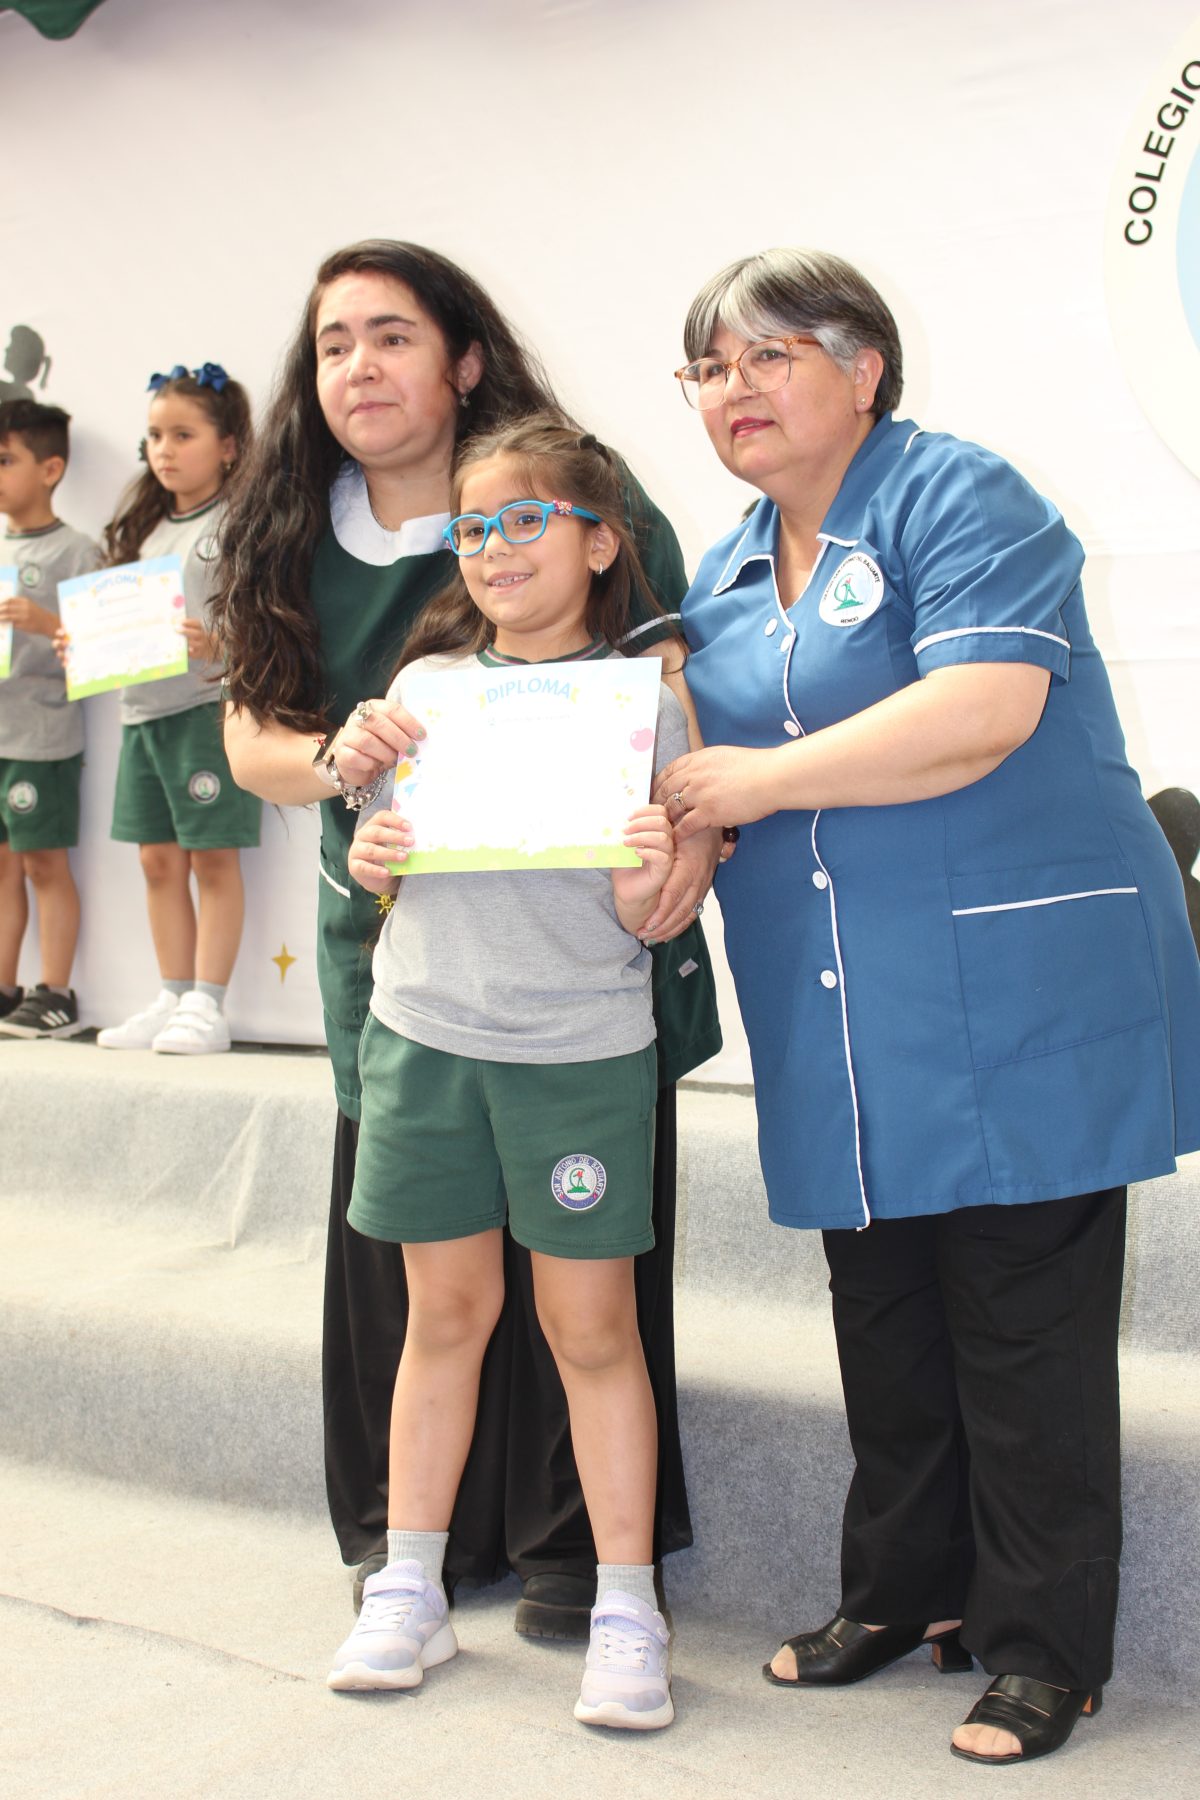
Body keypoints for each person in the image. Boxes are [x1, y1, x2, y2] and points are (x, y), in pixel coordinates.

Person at [657, 248, 1200, 1767]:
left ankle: (1044, 1647)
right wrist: (667, 853)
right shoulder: (719, 570)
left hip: (1012, 979)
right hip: (842, 1007)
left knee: (1022, 1323)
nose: (735, 390)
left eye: (771, 355)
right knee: (883, 1308)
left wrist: (751, 783)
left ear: (864, 368)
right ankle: (904, 1590)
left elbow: (981, 711)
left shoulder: (965, 500)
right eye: (709, 369)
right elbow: (689, 769)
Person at [214, 240, 720, 1636]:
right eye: (332, 344)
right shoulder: (280, 528)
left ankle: (583, 1558)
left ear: (466, 360)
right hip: (406, 952)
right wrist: (344, 770)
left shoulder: (588, 489)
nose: (358, 367)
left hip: (588, 977)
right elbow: (250, 730)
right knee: (428, 1278)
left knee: (592, 1286)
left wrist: (689, 851)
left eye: (391, 336)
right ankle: (409, 1554)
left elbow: (679, 709)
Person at [326, 416, 685, 1728]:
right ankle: (407, 1587)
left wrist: (648, 865)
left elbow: (656, 917)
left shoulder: (644, 699)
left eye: (525, 519)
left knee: (593, 1332)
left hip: (579, 1055)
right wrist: (372, 852)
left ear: (600, 541)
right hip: (427, 1043)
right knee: (445, 1320)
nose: (493, 548)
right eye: (473, 527)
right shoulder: (426, 690)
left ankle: (628, 1606)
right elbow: (383, 863)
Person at [90, 364, 260, 1054]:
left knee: (211, 859)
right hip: (142, 717)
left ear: (227, 445)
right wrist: (88, 639)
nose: (164, 449)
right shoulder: (142, 528)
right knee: (158, 862)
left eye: (183, 434)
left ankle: (208, 1006)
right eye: (155, 435)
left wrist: (220, 642)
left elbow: (271, 625)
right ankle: (172, 995)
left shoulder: (240, 523)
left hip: (204, 712)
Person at [0, 399, 100, 1038]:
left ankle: (55, 991)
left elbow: (102, 655)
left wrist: (47, 623)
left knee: (43, 864)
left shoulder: (75, 550)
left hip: (42, 735)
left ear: (51, 468)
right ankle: (7, 988)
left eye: (5, 459)